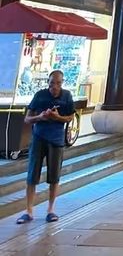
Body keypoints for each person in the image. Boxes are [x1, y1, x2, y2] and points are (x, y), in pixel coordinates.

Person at [17, 69, 75, 224]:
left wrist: (58, 117)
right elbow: (27, 119)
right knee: (32, 174)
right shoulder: (40, 95)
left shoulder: (67, 96)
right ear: (47, 82)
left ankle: (51, 210)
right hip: (38, 138)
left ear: (62, 83)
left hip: (56, 140)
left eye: (57, 83)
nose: (54, 87)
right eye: (51, 83)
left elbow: (70, 116)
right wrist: (40, 117)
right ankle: (28, 211)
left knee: (54, 176)